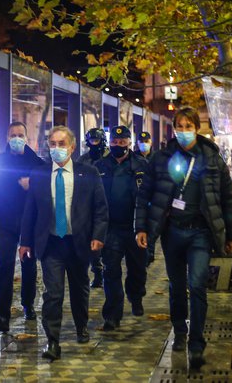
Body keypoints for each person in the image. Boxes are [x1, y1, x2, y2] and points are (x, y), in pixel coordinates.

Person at [135, 106, 232, 370]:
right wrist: (142, 228)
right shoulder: (161, 158)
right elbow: (145, 195)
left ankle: (197, 342)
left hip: (201, 232)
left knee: (198, 284)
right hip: (172, 232)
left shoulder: (212, 158)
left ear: (197, 127)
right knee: (177, 285)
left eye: (187, 126)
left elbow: (226, 198)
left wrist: (231, 234)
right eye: (178, 126)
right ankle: (180, 330)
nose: (182, 131)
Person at [20, 126, 108, 361]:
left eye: (61, 143)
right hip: (50, 243)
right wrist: (25, 241)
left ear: (72, 147)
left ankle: (81, 327)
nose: (56, 148)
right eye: (52, 143)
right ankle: (53, 341)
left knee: (80, 289)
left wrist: (98, 235)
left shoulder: (88, 173)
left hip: (79, 242)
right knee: (53, 294)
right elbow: (30, 210)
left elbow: (100, 208)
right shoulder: (39, 174)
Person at [0, 121, 44, 333]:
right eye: (13, 135)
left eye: (20, 134)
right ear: (7, 138)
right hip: (4, 221)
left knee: (28, 265)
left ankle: (28, 304)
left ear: (27, 138)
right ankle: (3, 313)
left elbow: (45, 192)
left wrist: (32, 184)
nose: (16, 138)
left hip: (29, 223)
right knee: (5, 266)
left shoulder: (37, 163)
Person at [95, 125, 148, 330]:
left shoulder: (141, 165)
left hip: (135, 227)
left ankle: (136, 297)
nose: (119, 145)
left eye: (123, 141)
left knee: (137, 269)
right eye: (115, 142)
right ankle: (112, 315)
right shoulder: (100, 166)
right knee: (111, 271)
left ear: (129, 142)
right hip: (111, 228)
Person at [76, 127, 108, 288]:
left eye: (97, 140)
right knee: (93, 243)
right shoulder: (83, 160)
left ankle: (106, 271)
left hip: (108, 204)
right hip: (89, 206)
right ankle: (98, 272)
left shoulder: (109, 159)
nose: (94, 143)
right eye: (91, 140)